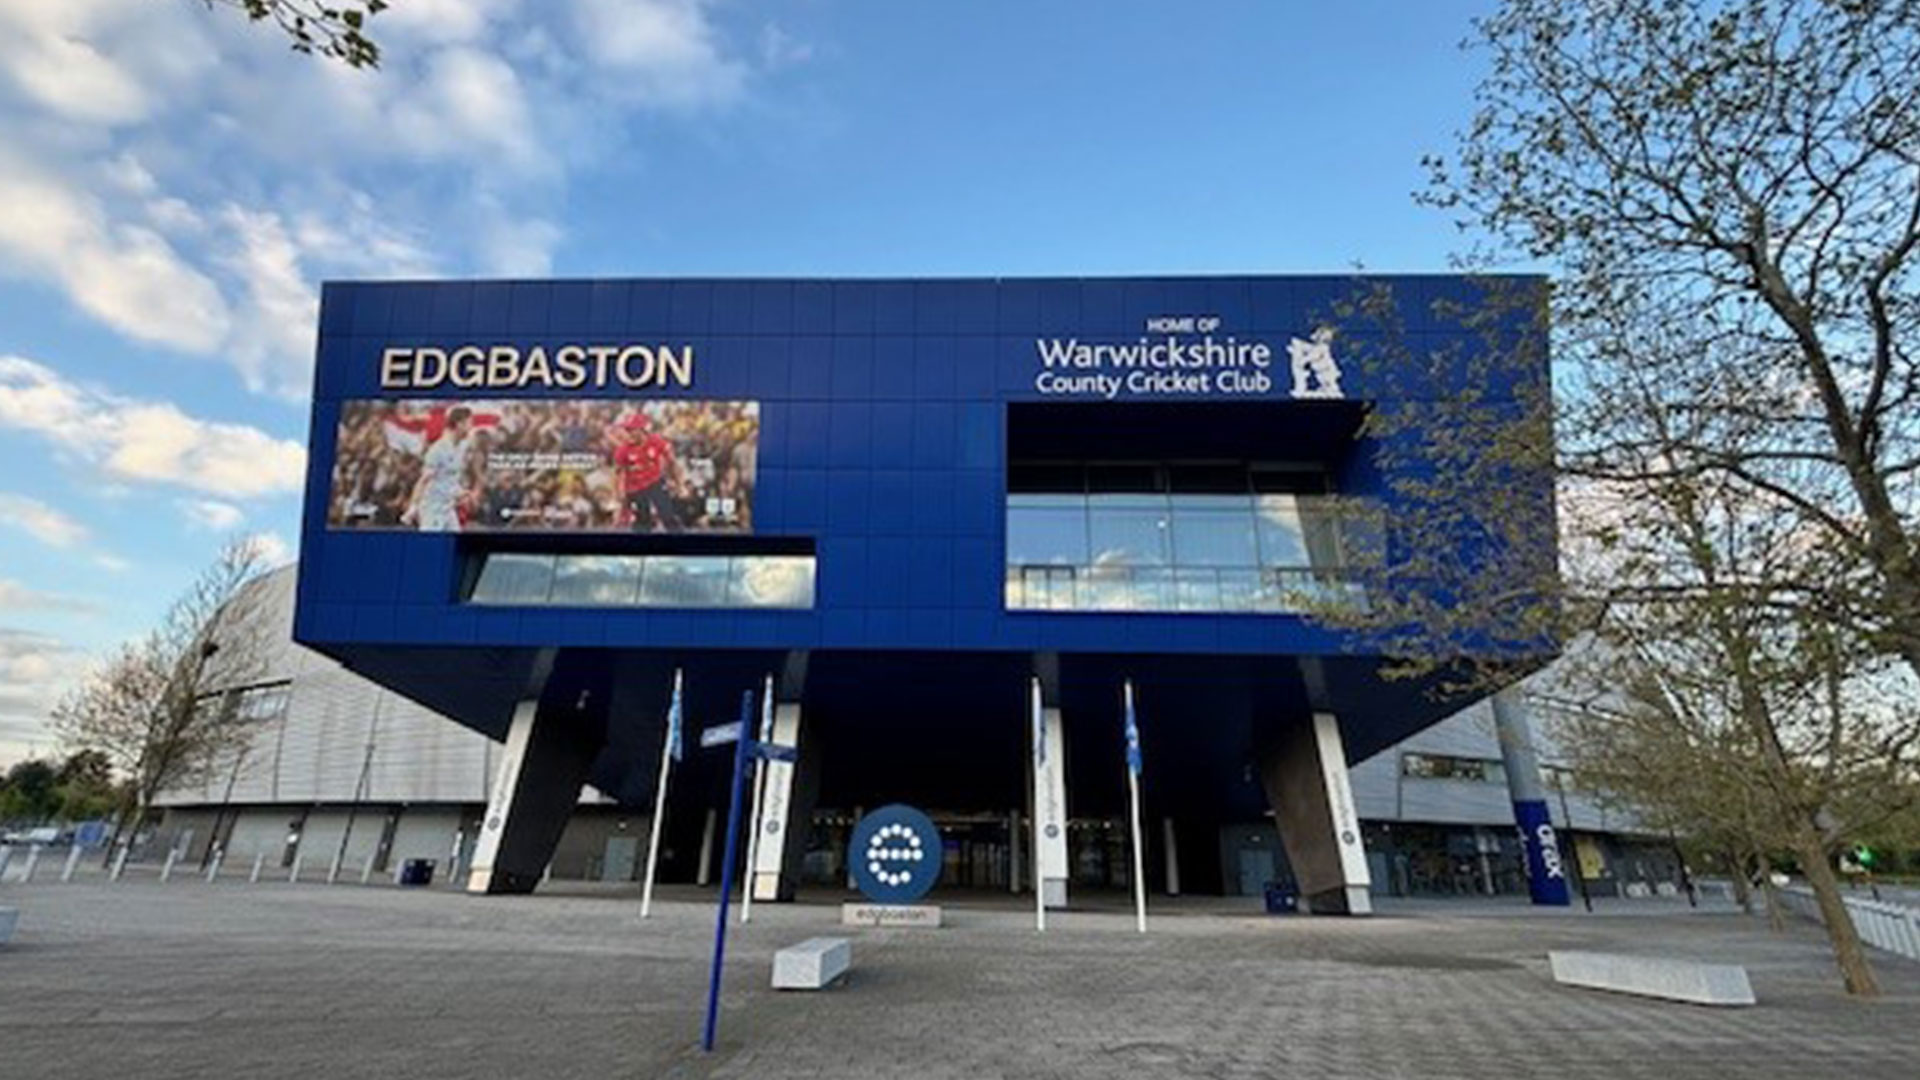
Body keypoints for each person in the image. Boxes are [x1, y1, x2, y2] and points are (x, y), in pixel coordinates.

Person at [406, 406, 475, 531]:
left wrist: (461, 492)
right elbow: (423, 481)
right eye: (470, 423)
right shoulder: (437, 450)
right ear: (460, 424)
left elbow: (448, 478)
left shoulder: (462, 446)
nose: (472, 427)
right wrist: (413, 508)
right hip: (432, 510)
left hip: (449, 509)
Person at [613, 412, 681, 532]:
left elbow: (672, 462)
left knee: (668, 515)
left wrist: (678, 483)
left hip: (655, 482)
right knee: (642, 521)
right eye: (627, 430)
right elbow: (618, 474)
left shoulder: (656, 441)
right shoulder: (622, 450)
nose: (628, 434)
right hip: (635, 489)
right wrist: (619, 494)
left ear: (641, 429)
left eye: (631, 430)